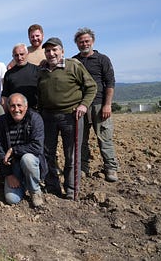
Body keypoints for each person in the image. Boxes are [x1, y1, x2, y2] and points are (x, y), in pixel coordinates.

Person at [38, 37, 97, 199]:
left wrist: (84, 105)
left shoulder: (74, 66)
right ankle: (52, 187)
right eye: (48, 51)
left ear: (62, 51)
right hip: (48, 117)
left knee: (71, 154)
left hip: (71, 116)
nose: (51, 54)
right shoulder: (42, 70)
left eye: (54, 50)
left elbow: (91, 86)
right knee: (48, 153)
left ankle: (71, 189)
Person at [73, 27, 119, 182]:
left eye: (86, 41)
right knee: (81, 139)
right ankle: (83, 168)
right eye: (81, 42)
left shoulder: (102, 59)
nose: (84, 44)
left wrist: (107, 105)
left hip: (99, 105)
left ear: (92, 41)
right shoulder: (74, 61)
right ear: (77, 44)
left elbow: (110, 83)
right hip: (81, 105)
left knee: (104, 138)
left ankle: (111, 168)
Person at [0, 93, 47, 207]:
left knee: (27, 158)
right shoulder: (2, 122)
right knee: (12, 199)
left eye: (19, 105)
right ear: (8, 107)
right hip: (14, 166)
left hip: (31, 163)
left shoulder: (35, 119)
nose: (16, 109)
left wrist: (14, 150)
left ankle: (35, 191)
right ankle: (23, 184)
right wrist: (8, 175)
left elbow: (37, 146)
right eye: (12, 106)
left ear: (26, 107)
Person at [2, 43, 39, 111]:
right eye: (16, 55)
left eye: (22, 54)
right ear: (13, 56)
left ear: (27, 54)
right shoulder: (9, 74)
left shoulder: (37, 70)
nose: (19, 58)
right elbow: (5, 96)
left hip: (35, 111)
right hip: (16, 112)